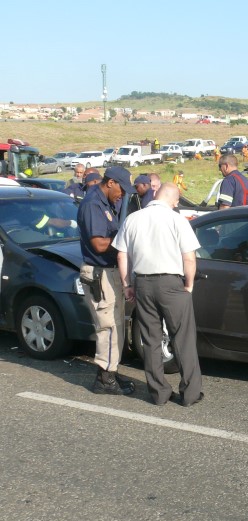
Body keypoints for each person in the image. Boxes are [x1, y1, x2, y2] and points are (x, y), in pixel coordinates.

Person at [113, 183, 203, 407]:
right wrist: (189, 285)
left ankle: (159, 393)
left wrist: (127, 285)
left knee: (151, 339)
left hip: (143, 283)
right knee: (182, 337)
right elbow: (189, 258)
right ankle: (190, 394)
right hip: (172, 284)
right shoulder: (177, 220)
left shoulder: (133, 219)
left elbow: (122, 256)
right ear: (174, 199)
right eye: (177, 201)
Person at [76, 166, 136, 395]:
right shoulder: (93, 204)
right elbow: (99, 244)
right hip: (99, 273)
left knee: (117, 324)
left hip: (110, 271)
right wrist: (126, 239)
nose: (123, 194)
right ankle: (104, 379)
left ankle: (110, 370)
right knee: (108, 326)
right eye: (122, 189)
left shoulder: (108, 201)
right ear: (110, 183)